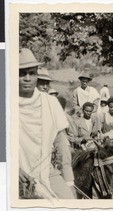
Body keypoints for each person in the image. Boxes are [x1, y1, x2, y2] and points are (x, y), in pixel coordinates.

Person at [19, 48, 75, 199]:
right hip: (14, 174)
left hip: (47, 171)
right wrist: (13, 169)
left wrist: (69, 182)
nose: (27, 78)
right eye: (22, 73)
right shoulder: (6, 103)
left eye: (32, 73)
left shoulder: (50, 103)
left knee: (69, 202)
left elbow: (62, 146)